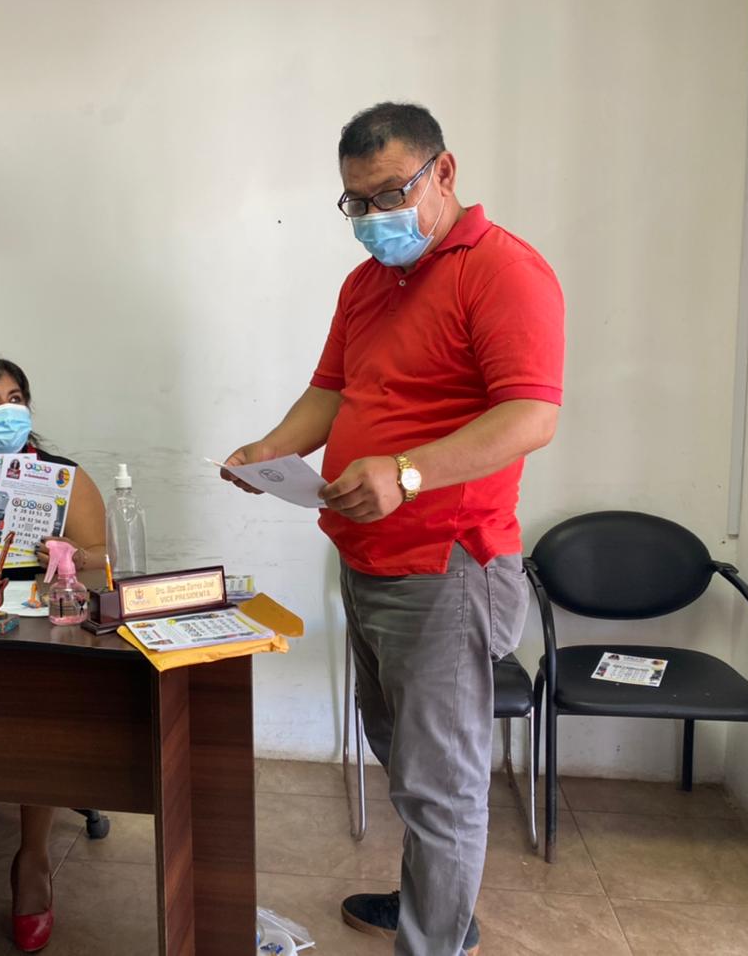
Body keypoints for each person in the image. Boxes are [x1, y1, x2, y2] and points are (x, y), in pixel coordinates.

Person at [224, 102, 564, 956]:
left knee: (441, 783)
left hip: (448, 568)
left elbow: (531, 416)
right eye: (356, 202)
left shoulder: (503, 270)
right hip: (369, 559)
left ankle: (437, 937)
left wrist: (408, 473)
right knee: (405, 756)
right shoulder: (367, 283)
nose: (374, 217)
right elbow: (333, 392)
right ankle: (433, 903)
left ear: (443, 172)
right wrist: (271, 449)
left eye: (389, 193)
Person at [0, 352, 107, 953]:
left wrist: (66, 554)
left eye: (14, 399)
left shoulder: (59, 475)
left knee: (42, 711)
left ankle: (32, 857)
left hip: (37, 628)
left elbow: (103, 559)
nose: (5, 412)